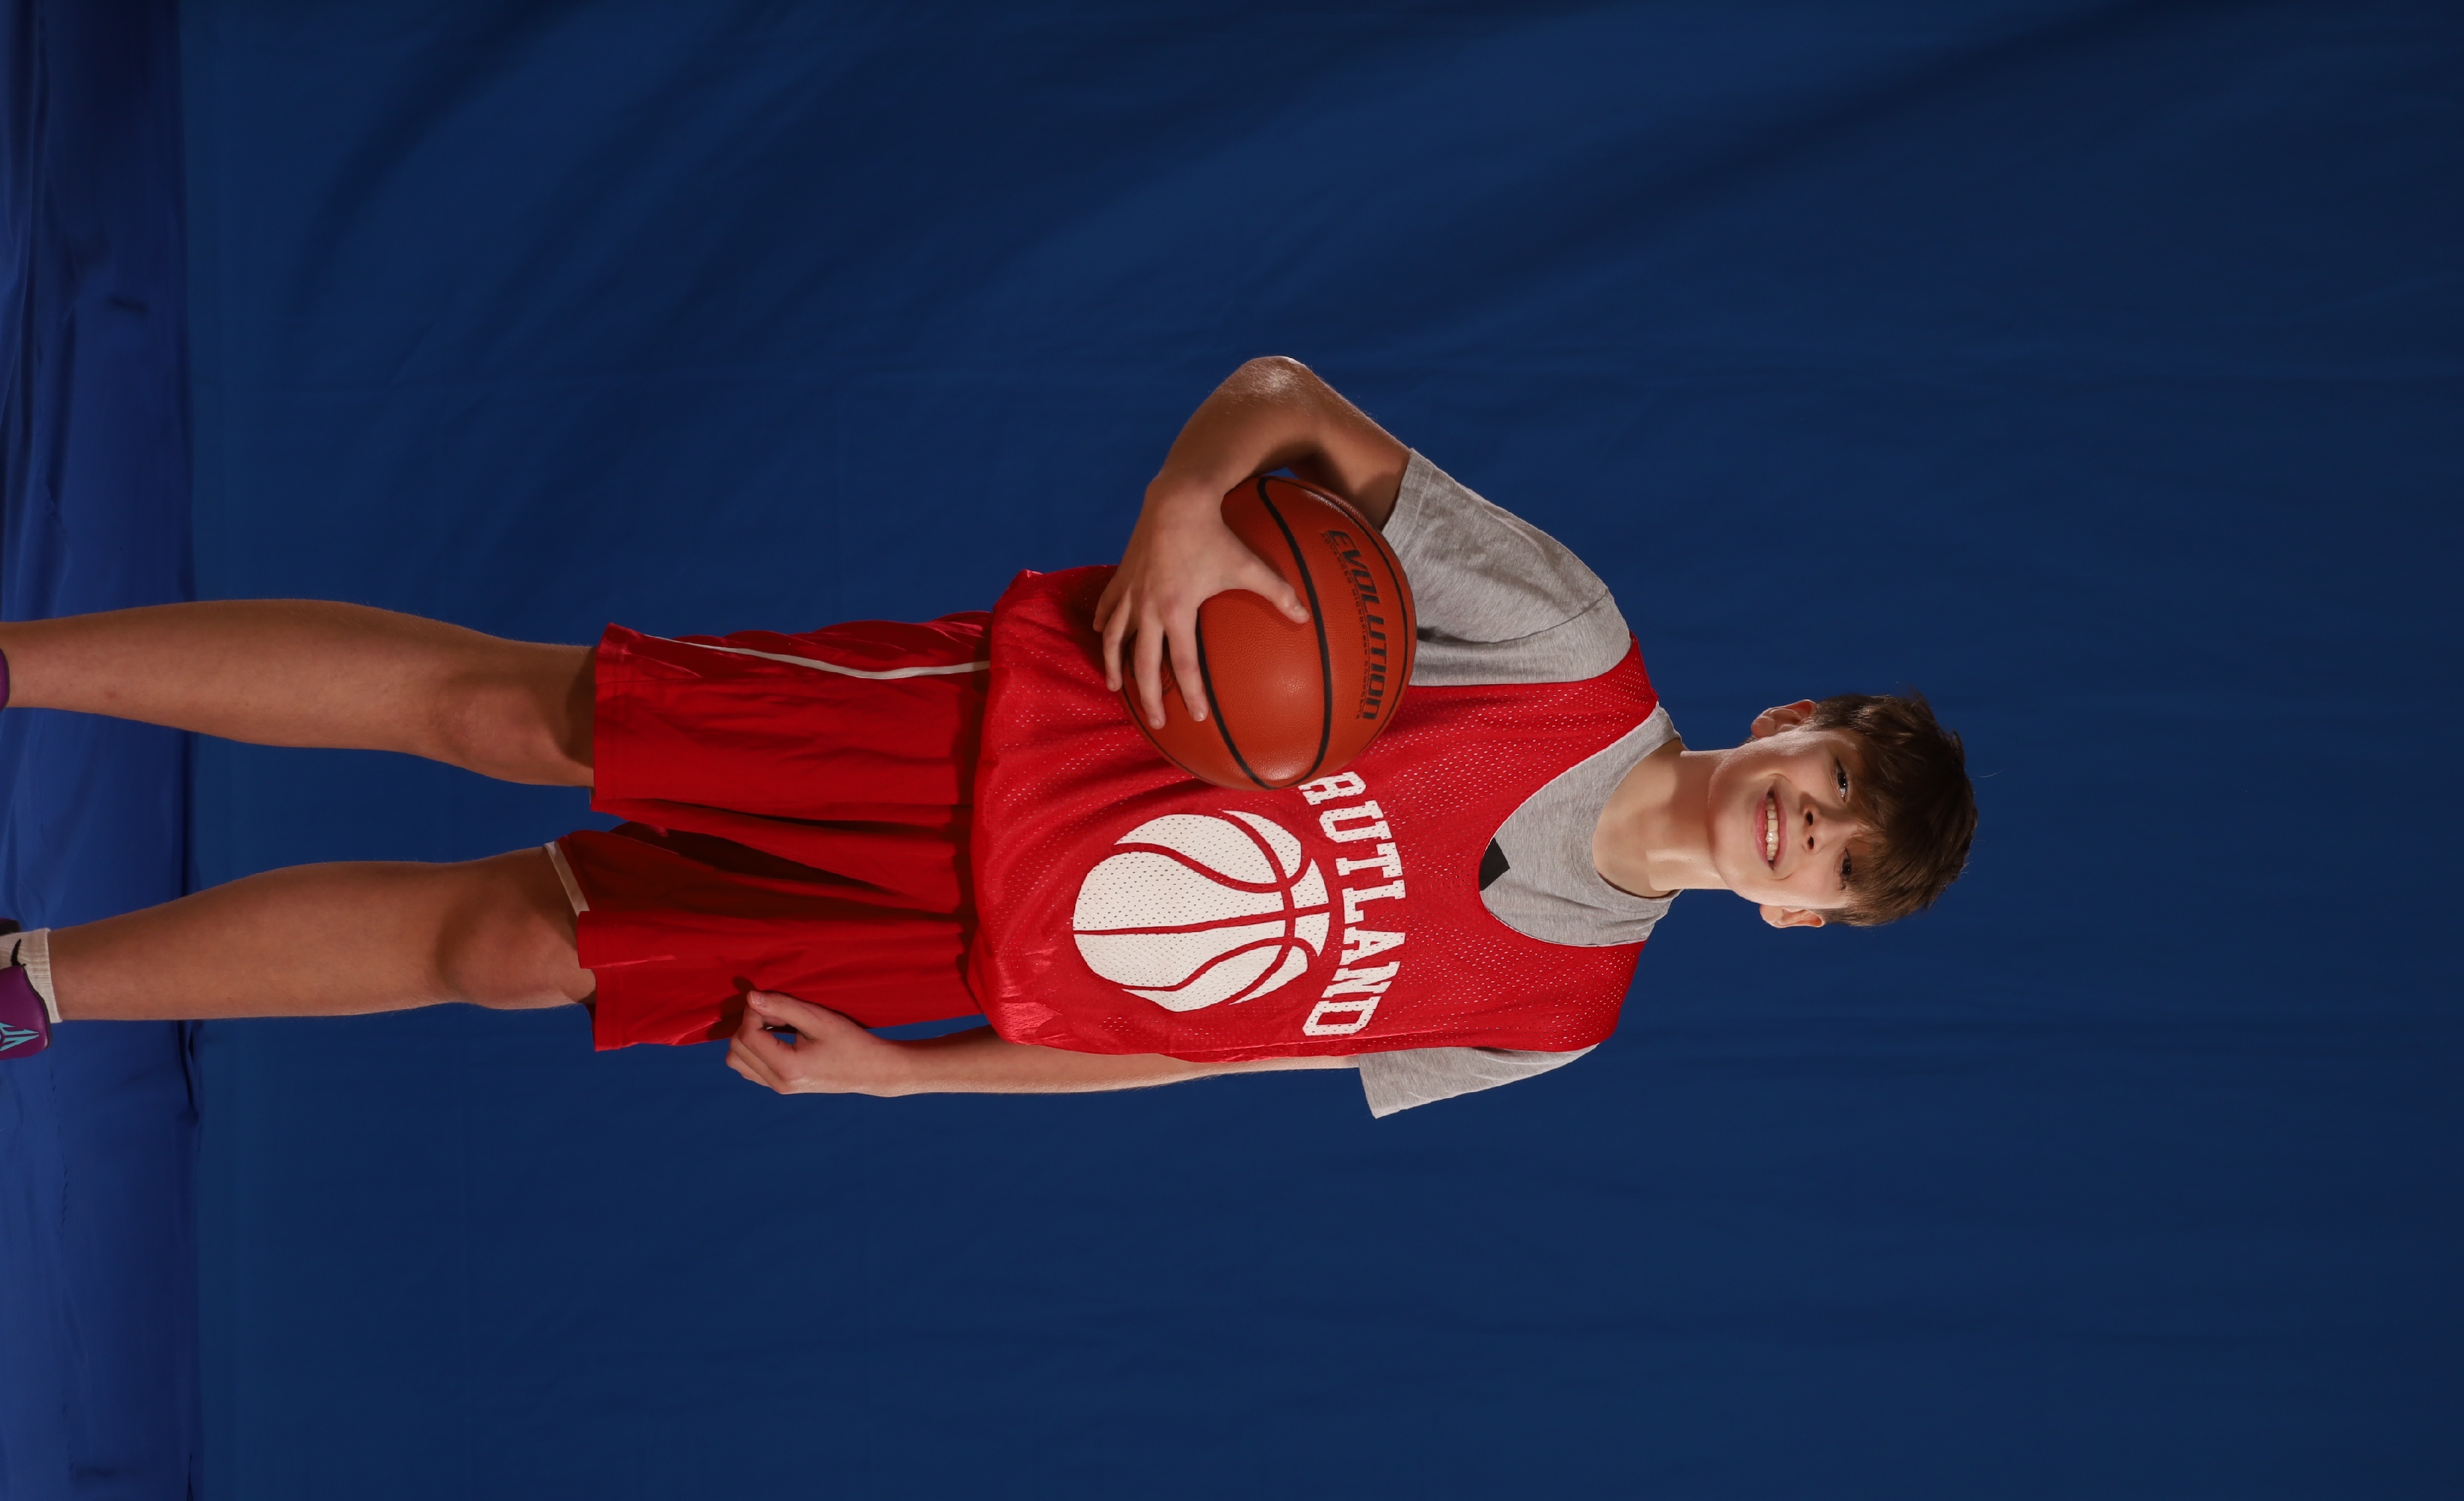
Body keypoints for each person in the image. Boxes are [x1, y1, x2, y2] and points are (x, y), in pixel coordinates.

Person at [0, 358, 1974, 1115]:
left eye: (1838, 858)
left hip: (964, 948)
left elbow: (1194, 1045)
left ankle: (37, 981)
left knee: (514, 948)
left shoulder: (1557, 1016)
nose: (1806, 826)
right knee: (511, 714)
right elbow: (1290, 401)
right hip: (990, 745)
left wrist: (914, 1079)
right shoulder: (1567, 644)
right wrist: (1187, 507)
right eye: (1832, 783)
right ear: (1791, 722)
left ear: (1806, 921)